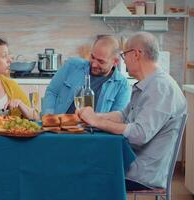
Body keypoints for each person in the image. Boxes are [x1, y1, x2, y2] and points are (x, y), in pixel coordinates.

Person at [77, 32, 187, 190]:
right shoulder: (147, 84)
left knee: (80, 174)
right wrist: (93, 116)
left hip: (141, 174)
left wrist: (97, 122)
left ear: (136, 54)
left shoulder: (161, 88)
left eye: (124, 55)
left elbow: (139, 134)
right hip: (131, 163)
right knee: (80, 166)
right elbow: (123, 116)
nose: (123, 61)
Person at [42, 35, 131, 115]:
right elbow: (52, 92)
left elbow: (118, 119)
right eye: (92, 57)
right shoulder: (72, 65)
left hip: (95, 132)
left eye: (101, 61)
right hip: (59, 129)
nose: (94, 64)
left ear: (115, 61)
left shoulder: (123, 86)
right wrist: (49, 117)